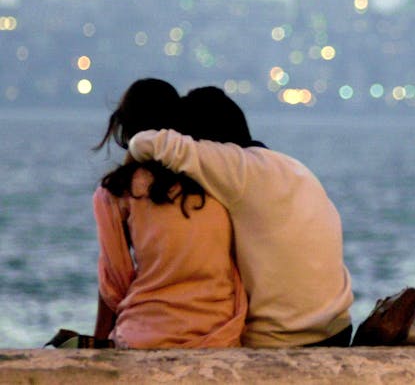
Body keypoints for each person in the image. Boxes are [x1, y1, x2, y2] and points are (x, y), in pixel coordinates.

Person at [128, 86, 354, 348]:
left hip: (283, 340)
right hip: (337, 329)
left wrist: (127, 169)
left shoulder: (234, 167)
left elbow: (144, 142)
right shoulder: (291, 166)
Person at [92, 79, 247, 348]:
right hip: (222, 332)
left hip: (147, 335)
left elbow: (113, 285)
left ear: (125, 128)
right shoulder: (214, 179)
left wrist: (99, 340)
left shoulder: (117, 191)